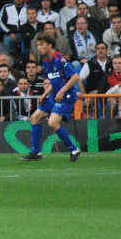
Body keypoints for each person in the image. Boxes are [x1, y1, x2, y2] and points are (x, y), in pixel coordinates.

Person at [21, 33, 82, 162]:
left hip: (66, 96)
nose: (39, 47)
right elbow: (54, 81)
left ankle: (74, 149)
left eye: (42, 44)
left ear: (50, 45)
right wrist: (44, 94)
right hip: (55, 95)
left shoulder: (59, 59)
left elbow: (75, 77)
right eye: (38, 45)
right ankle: (36, 153)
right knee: (35, 117)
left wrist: (62, 91)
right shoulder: (46, 62)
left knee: (52, 123)